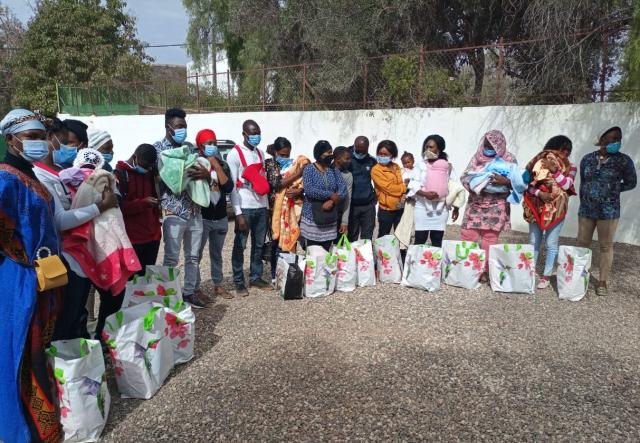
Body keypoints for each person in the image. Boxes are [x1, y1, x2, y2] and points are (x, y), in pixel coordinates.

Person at [0, 109, 63, 443]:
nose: (40, 142)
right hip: (19, 280)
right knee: (20, 349)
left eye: (41, 136)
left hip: (41, 276)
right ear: (12, 139)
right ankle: (22, 431)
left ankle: (40, 422)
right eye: (32, 137)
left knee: (36, 348)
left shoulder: (31, 173)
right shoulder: (6, 177)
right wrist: (19, 257)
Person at [34, 121, 117, 341]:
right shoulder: (40, 176)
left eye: (77, 145)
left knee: (76, 316)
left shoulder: (64, 173)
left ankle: (80, 362)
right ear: (52, 138)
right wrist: (100, 207)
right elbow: (60, 220)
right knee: (65, 320)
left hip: (80, 257)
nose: (73, 150)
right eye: (69, 143)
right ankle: (65, 367)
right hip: (61, 259)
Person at [154, 107, 210, 308]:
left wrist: (205, 174)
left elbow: (201, 173)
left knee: (193, 257)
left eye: (184, 127)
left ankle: (189, 293)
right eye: (179, 127)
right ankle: (168, 297)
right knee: (171, 258)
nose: (182, 130)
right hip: (174, 212)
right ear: (168, 127)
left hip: (195, 211)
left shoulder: (189, 147)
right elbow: (159, 179)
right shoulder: (158, 149)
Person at [576, 126, 637, 296]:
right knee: (582, 244)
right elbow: (583, 182)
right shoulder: (587, 159)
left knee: (605, 246)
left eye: (617, 139)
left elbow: (632, 182)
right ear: (601, 140)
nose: (614, 142)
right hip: (586, 210)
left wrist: (613, 189)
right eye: (610, 138)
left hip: (609, 211)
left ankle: (602, 282)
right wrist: (584, 200)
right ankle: (579, 277)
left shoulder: (624, 161)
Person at [460, 130, 517, 280]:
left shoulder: (509, 159)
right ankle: (468, 267)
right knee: (468, 235)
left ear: (499, 145)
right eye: (486, 144)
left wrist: (505, 182)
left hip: (497, 206)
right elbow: (465, 176)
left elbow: (519, 182)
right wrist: (477, 184)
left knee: (490, 239)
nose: (488, 147)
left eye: (492, 145)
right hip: (476, 204)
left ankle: (484, 270)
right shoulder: (477, 158)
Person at [523, 136, 577, 289]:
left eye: (569, 150)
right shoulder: (538, 163)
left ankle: (546, 274)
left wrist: (555, 171)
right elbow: (527, 186)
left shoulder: (571, 167)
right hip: (536, 207)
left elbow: (567, 185)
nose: (565, 153)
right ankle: (530, 271)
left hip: (557, 209)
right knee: (534, 241)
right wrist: (540, 194)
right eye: (562, 149)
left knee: (551, 243)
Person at [226, 119, 271, 296]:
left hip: (260, 205)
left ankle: (256, 276)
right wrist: (238, 213)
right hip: (244, 206)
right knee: (240, 245)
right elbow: (232, 187)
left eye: (258, 132)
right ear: (244, 134)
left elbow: (262, 181)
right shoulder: (234, 154)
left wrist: (266, 208)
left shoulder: (260, 153)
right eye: (252, 133)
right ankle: (238, 281)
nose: (256, 136)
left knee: (259, 244)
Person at [194, 129, 234, 300]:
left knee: (217, 253)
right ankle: (195, 288)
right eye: (208, 143)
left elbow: (228, 187)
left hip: (220, 216)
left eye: (214, 143)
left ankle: (218, 285)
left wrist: (216, 166)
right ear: (200, 145)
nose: (212, 146)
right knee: (196, 254)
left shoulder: (222, 164)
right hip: (202, 217)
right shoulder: (195, 163)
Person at [264, 137, 304, 282]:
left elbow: (300, 184)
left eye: (287, 155)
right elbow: (276, 184)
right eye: (282, 155)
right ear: (275, 152)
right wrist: (298, 174)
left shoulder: (293, 165)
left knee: (291, 241)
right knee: (276, 242)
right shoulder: (270, 164)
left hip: (291, 209)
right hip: (274, 210)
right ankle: (276, 274)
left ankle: (289, 271)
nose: (285, 158)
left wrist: (299, 190)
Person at [410, 135, 459, 247]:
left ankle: (434, 263)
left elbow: (454, 187)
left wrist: (456, 207)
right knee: (420, 239)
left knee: (437, 239)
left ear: (439, 149)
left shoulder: (447, 166)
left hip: (441, 210)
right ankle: (417, 263)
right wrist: (425, 194)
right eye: (426, 147)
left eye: (431, 147)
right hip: (422, 208)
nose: (428, 150)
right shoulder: (420, 165)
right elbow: (413, 184)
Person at [300, 140, 348, 250]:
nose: (331, 155)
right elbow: (309, 190)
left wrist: (332, 201)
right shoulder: (309, 169)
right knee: (313, 252)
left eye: (331, 152)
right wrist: (330, 194)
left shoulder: (333, 169)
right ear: (319, 154)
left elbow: (343, 189)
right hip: (312, 216)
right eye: (328, 152)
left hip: (329, 216)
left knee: (326, 251)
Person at [371, 140, 407, 237]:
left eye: (385, 154)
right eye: (380, 154)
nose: (382, 156)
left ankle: (400, 253)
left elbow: (400, 182)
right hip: (386, 210)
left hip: (399, 207)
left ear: (392, 155)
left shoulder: (396, 167)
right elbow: (388, 188)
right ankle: (381, 253)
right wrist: (403, 189)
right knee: (383, 236)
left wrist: (400, 188)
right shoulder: (376, 170)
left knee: (400, 235)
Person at [348, 135, 377, 241]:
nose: (360, 153)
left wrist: (375, 196)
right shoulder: (347, 160)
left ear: (367, 148)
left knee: (367, 237)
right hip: (352, 206)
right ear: (354, 146)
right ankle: (351, 257)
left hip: (368, 206)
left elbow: (377, 181)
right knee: (352, 236)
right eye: (357, 150)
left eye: (363, 151)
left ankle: (366, 257)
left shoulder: (372, 161)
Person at [333, 146, 353, 235]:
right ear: (338, 159)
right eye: (347, 159)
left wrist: (344, 222)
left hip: (339, 215)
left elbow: (347, 200)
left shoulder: (348, 175)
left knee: (338, 247)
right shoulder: (326, 171)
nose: (350, 161)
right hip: (324, 215)